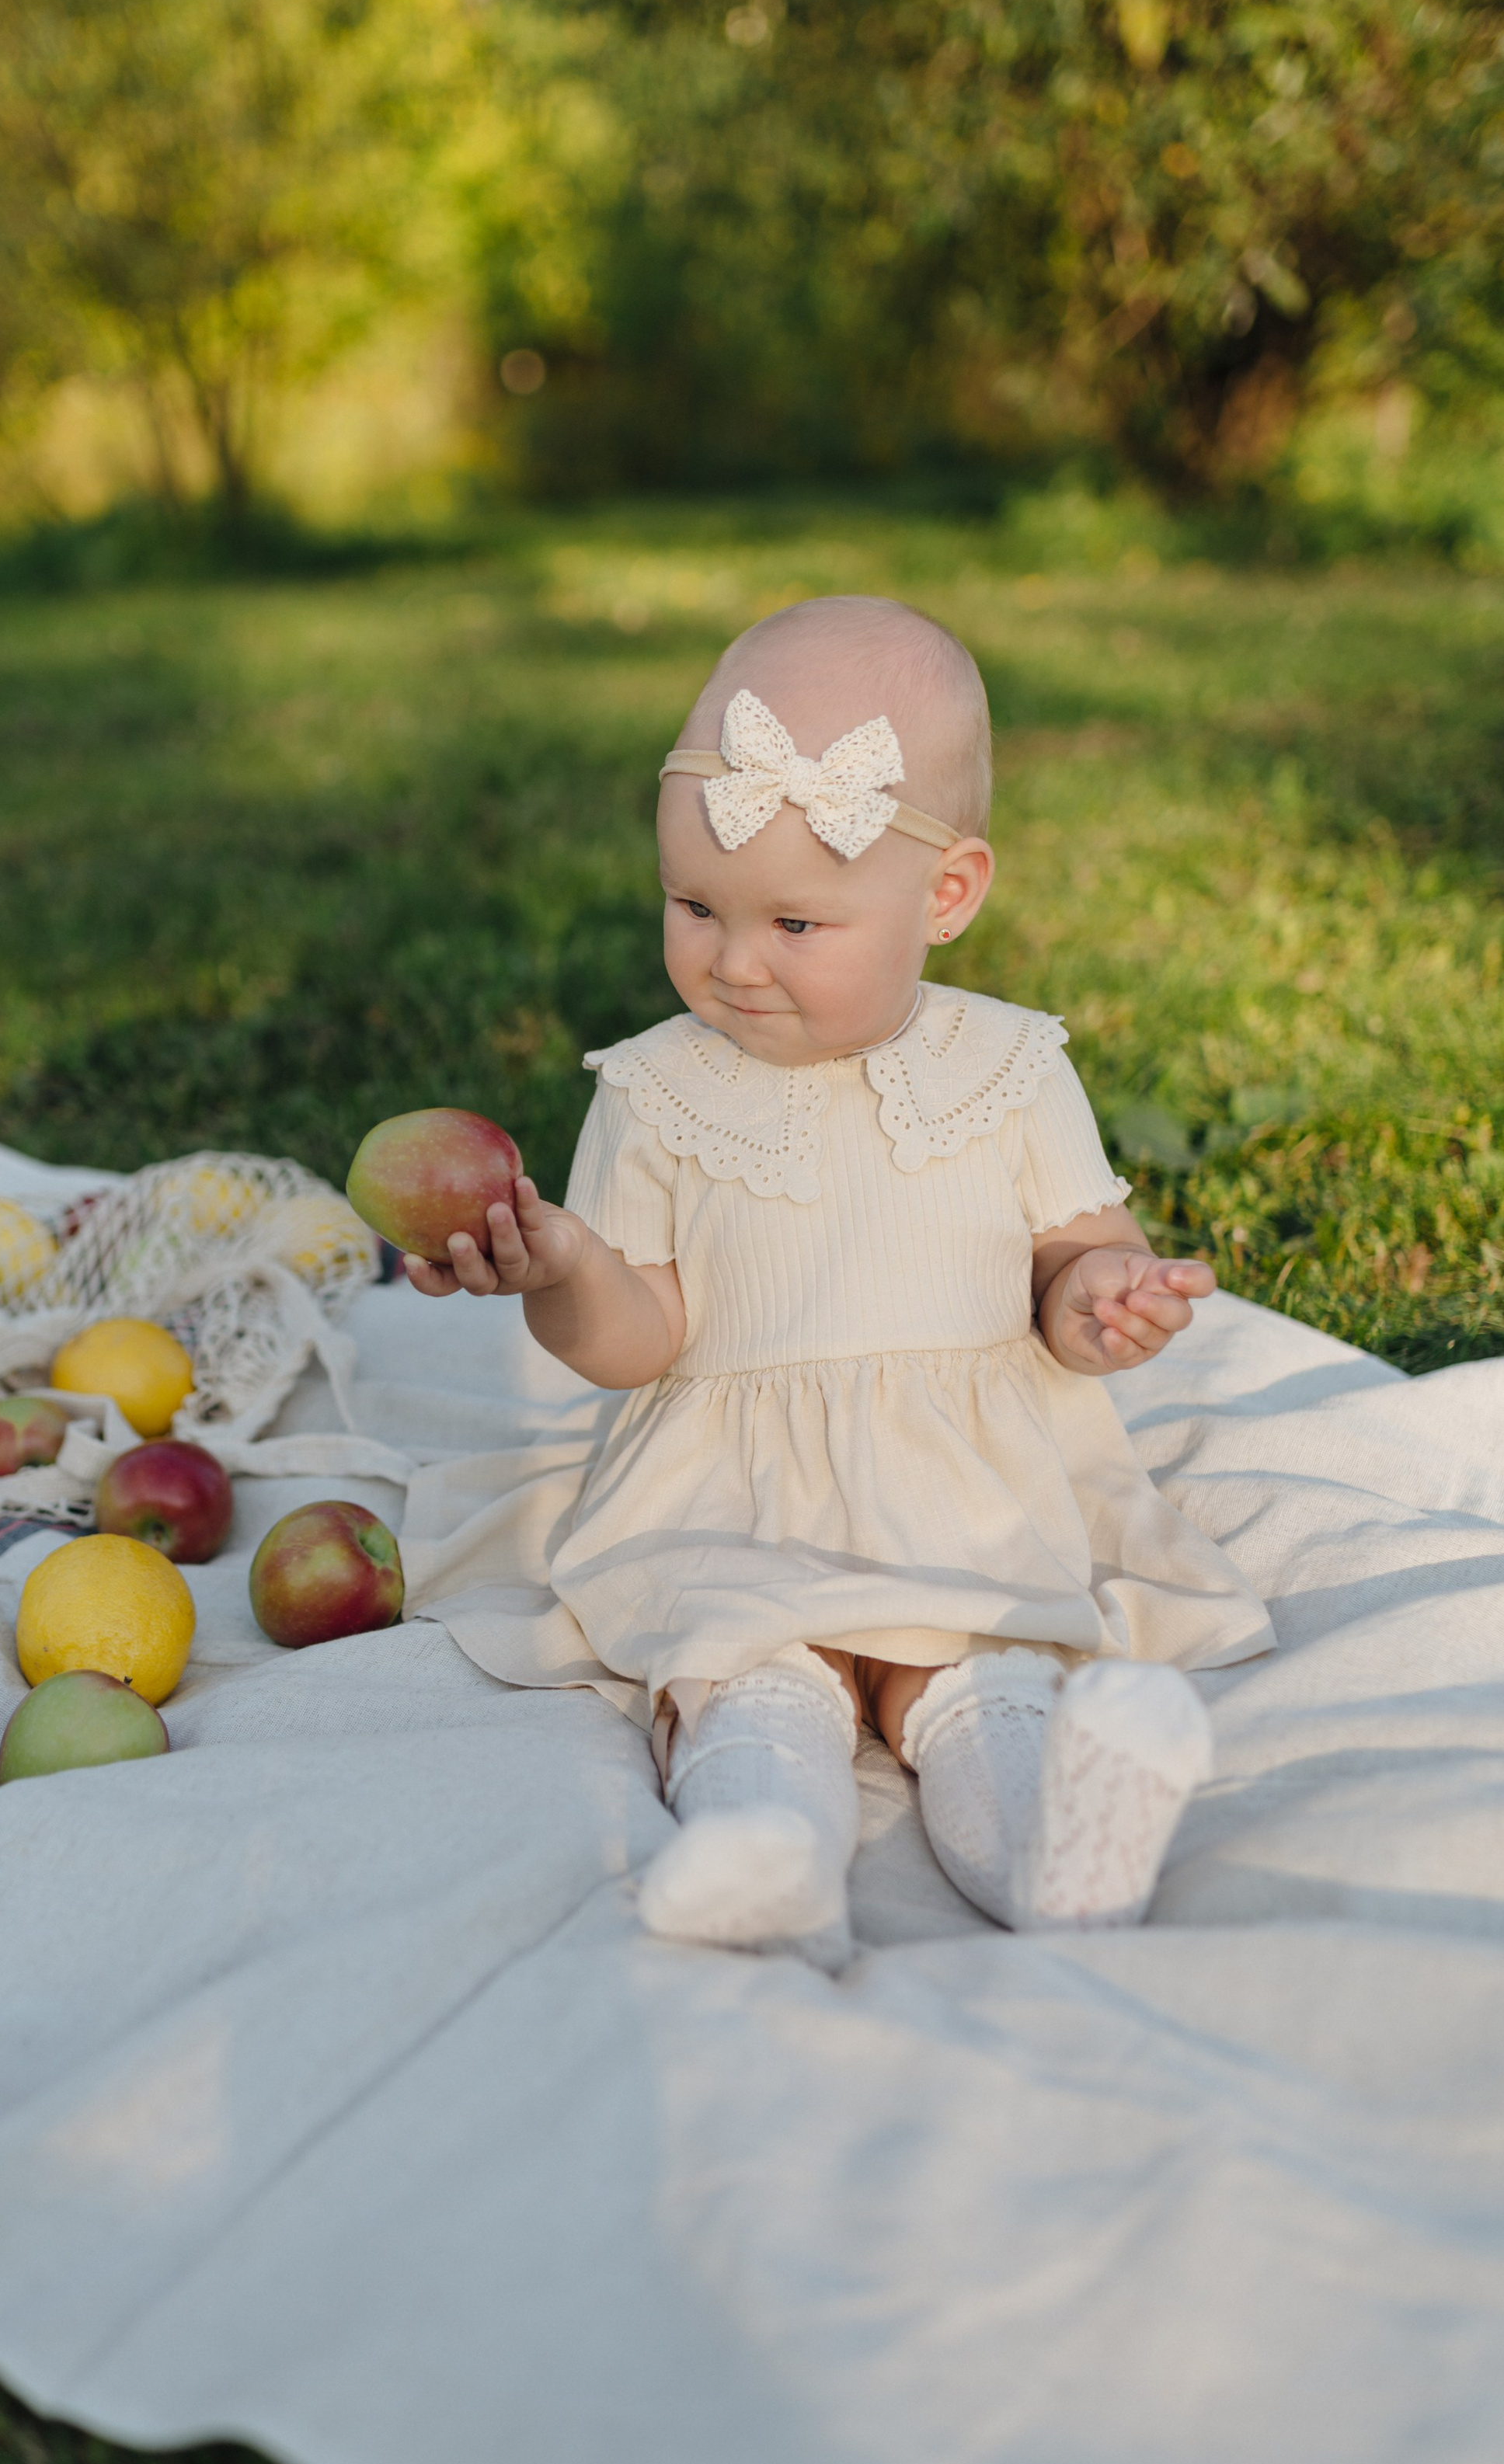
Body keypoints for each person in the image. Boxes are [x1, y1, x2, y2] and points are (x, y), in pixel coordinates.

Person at [401, 595, 1274, 1969]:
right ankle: (768, 1849)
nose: (732, 962)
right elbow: (643, 1340)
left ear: (948, 895)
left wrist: (1100, 1297)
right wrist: (562, 1266)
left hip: (961, 1485)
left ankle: (1065, 1856)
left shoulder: (1009, 1066)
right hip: (738, 1491)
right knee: (753, 1672)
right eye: (696, 906)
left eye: (796, 925)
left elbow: (1071, 1247)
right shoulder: (656, 1087)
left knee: (978, 1669)